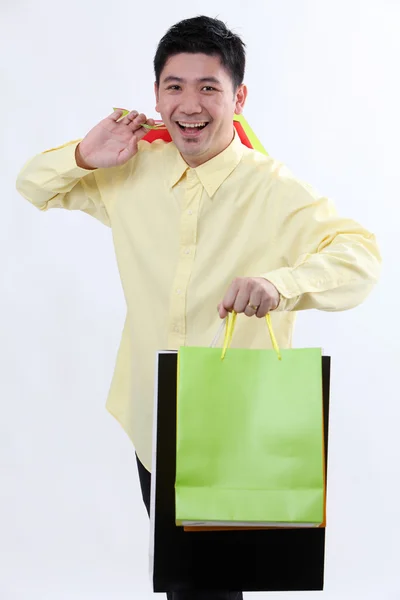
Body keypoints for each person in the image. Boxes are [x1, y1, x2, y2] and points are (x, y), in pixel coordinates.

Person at [16, 14, 381, 600]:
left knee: (208, 586)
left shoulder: (274, 189)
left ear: (238, 97)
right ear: (156, 94)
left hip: (239, 426)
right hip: (155, 424)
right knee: (192, 584)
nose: (190, 104)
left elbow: (363, 258)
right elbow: (33, 185)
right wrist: (84, 154)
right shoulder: (129, 170)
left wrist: (283, 283)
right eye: (174, 86)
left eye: (208, 87)